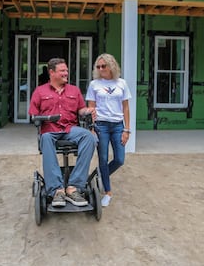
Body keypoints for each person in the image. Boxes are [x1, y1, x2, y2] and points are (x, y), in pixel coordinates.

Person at [28, 58, 97, 208]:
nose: (66, 73)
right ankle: (57, 190)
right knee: (45, 138)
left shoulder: (74, 90)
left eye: (66, 70)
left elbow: (80, 110)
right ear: (52, 72)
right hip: (50, 131)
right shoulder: (40, 91)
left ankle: (74, 187)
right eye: (62, 71)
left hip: (70, 128)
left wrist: (88, 111)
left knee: (89, 137)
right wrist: (45, 118)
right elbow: (33, 115)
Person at [86, 53, 131, 207]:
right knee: (103, 159)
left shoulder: (122, 83)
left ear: (111, 65)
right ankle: (108, 192)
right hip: (101, 126)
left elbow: (125, 107)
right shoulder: (94, 84)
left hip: (118, 126)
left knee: (119, 159)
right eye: (98, 66)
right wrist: (91, 128)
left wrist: (127, 129)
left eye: (103, 66)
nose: (100, 69)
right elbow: (91, 108)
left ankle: (99, 174)